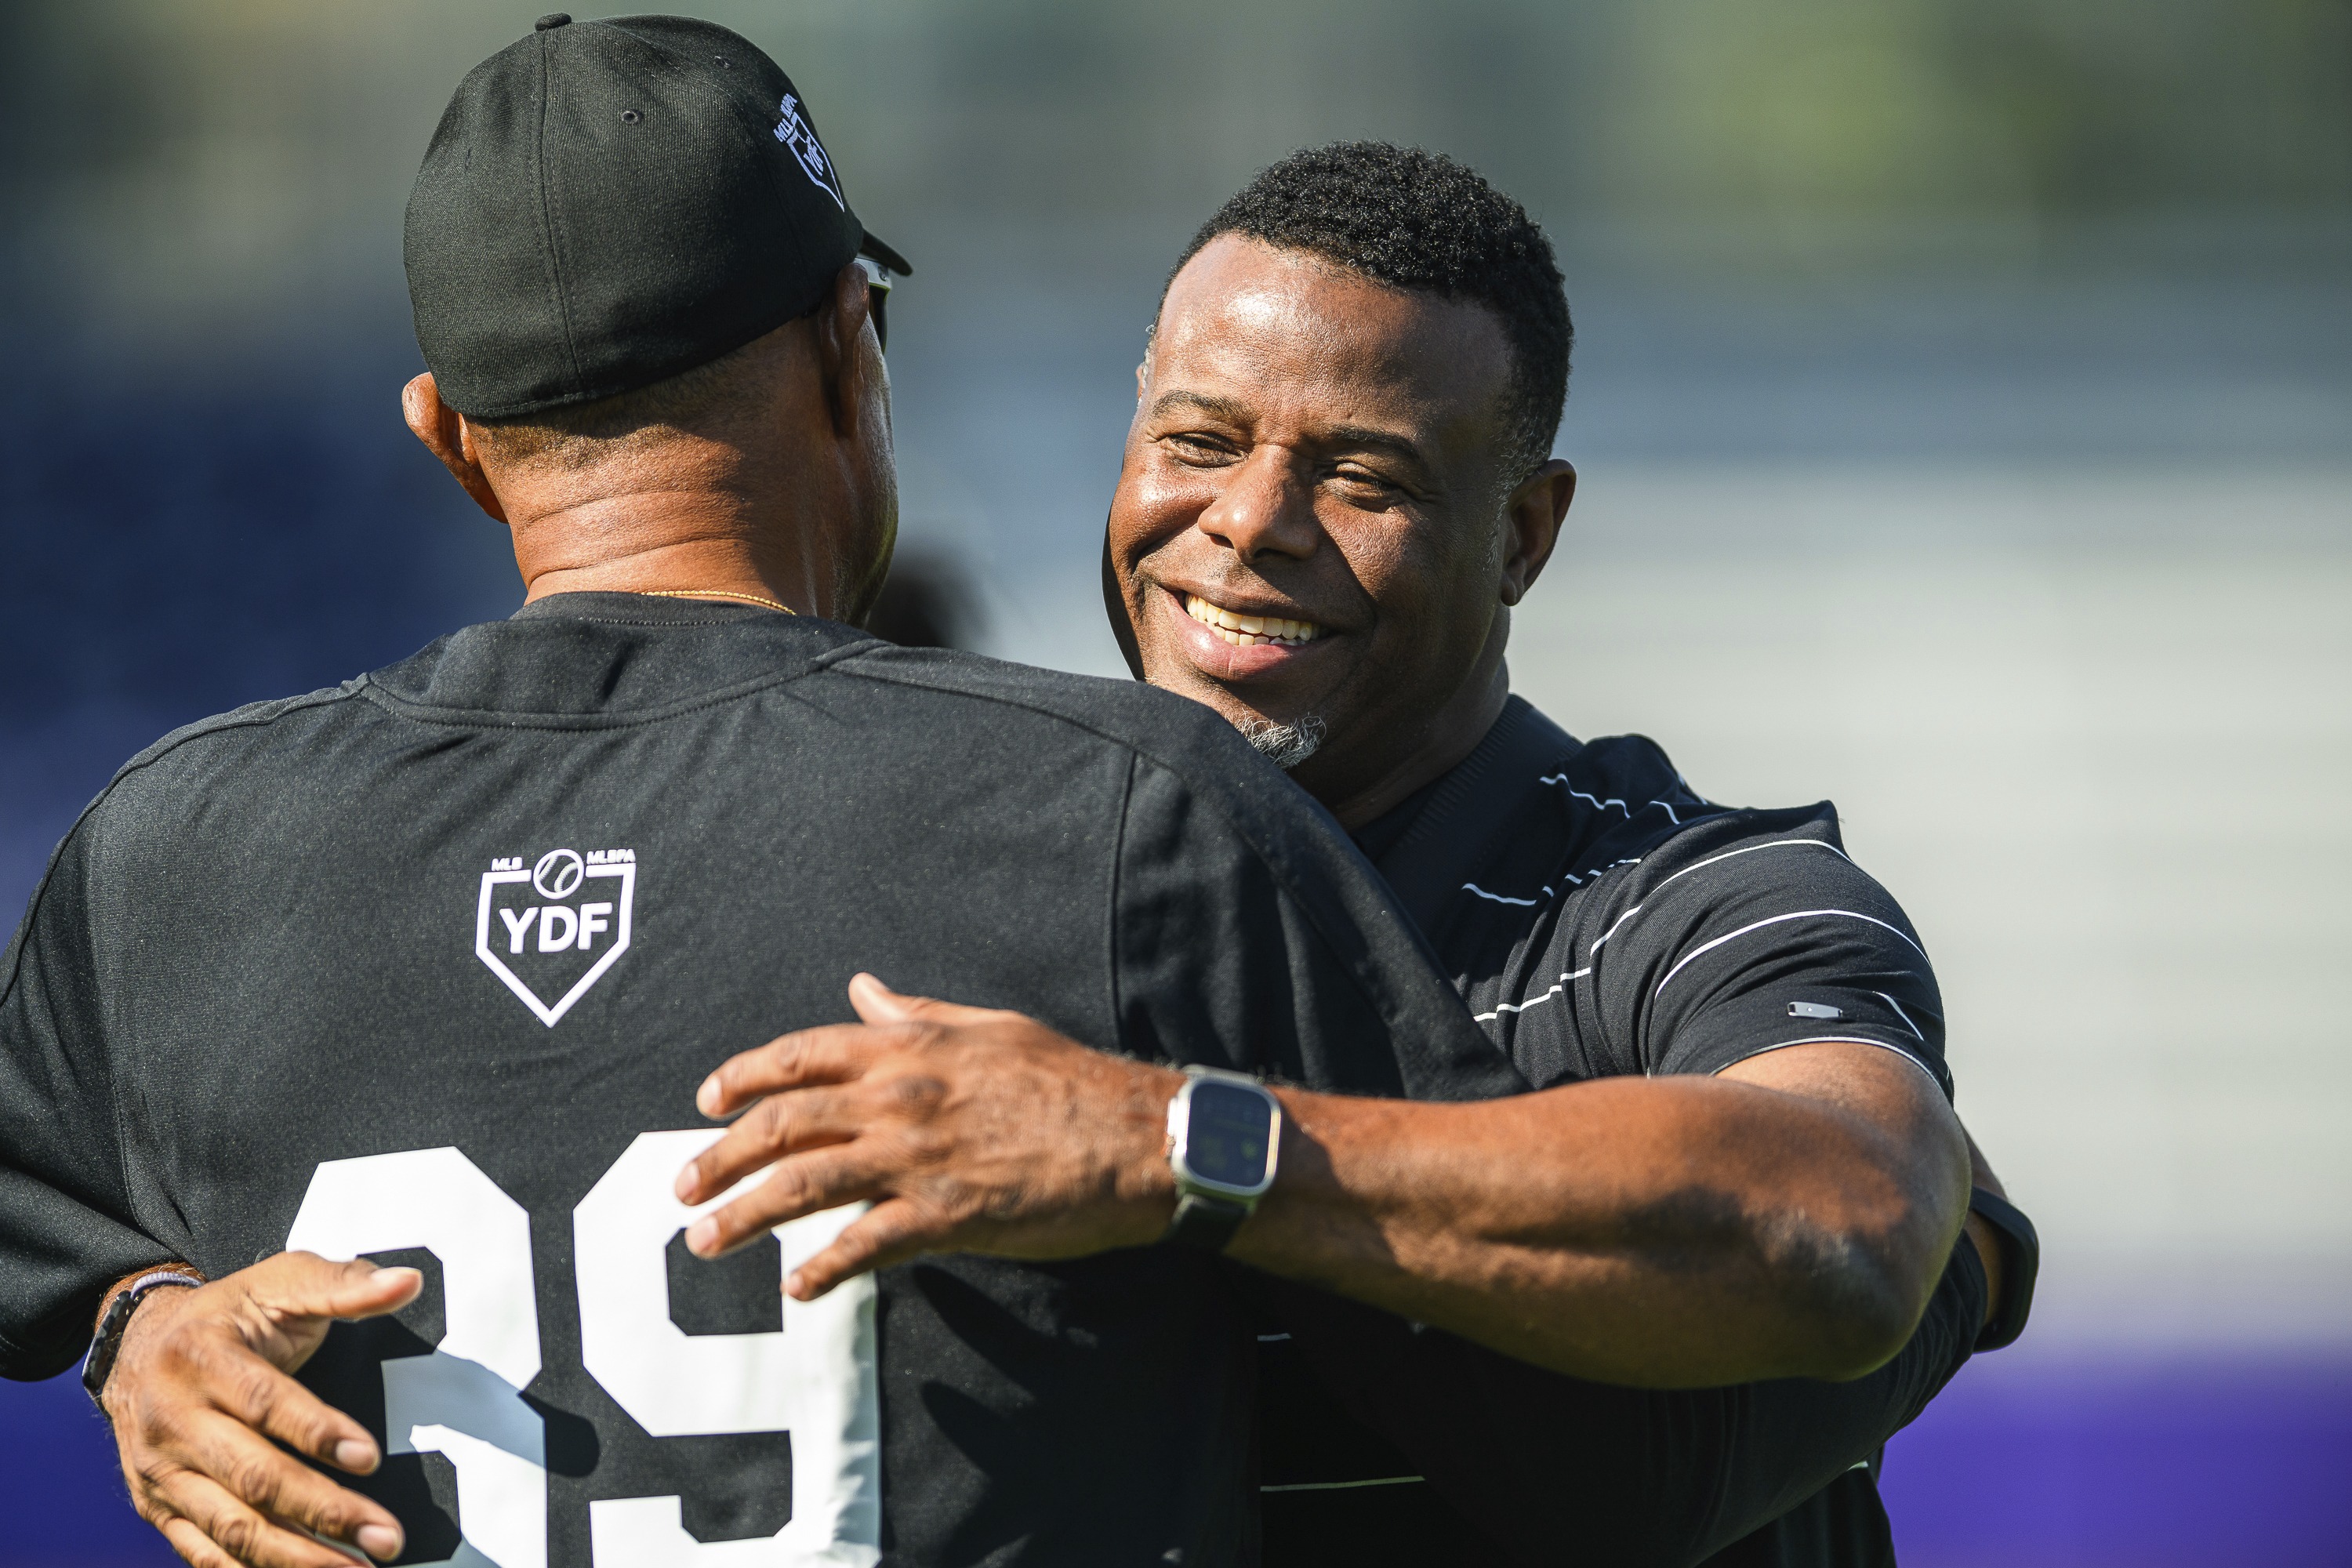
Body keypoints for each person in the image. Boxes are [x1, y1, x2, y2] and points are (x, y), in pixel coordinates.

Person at [0, 24, 1517, 1568]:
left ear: (445, 432)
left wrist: (134, 1322)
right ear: (850, 351)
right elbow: (1579, 1359)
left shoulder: (169, 852)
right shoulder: (1131, 809)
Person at [667, 146, 2039, 1564]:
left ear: (1523, 533)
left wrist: (1166, 1142)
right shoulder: (972, 890)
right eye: (1199, 443)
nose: (1251, 521)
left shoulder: (1693, 908)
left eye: (1363, 476)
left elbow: (1853, 1215)